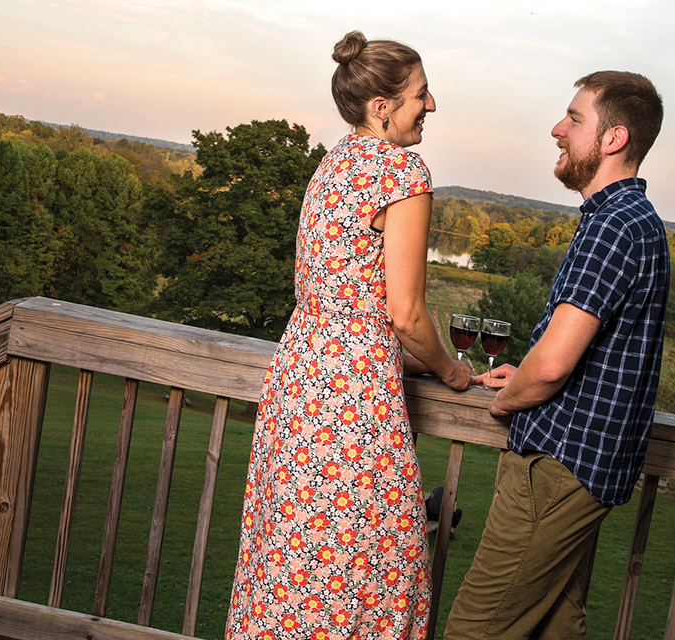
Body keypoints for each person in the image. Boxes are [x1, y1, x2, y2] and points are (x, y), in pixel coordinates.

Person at [225, 31, 472, 640]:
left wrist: (401, 363)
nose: (432, 104)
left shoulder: (333, 162)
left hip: (299, 381)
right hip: (353, 404)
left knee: (293, 559)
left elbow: (337, 304)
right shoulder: (401, 169)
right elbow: (407, 314)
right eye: (421, 93)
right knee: (370, 567)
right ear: (382, 106)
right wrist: (452, 372)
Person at [445, 71, 669, 639]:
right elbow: (594, 355)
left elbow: (551, 367)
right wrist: (526, 374)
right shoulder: (634, 222)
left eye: (573, 119)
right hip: (587, 470)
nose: (557, 129)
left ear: (613, 139)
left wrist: (509, 401)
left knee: (476, 629)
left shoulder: (614, 226)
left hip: (556, 466)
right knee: (556, 626)